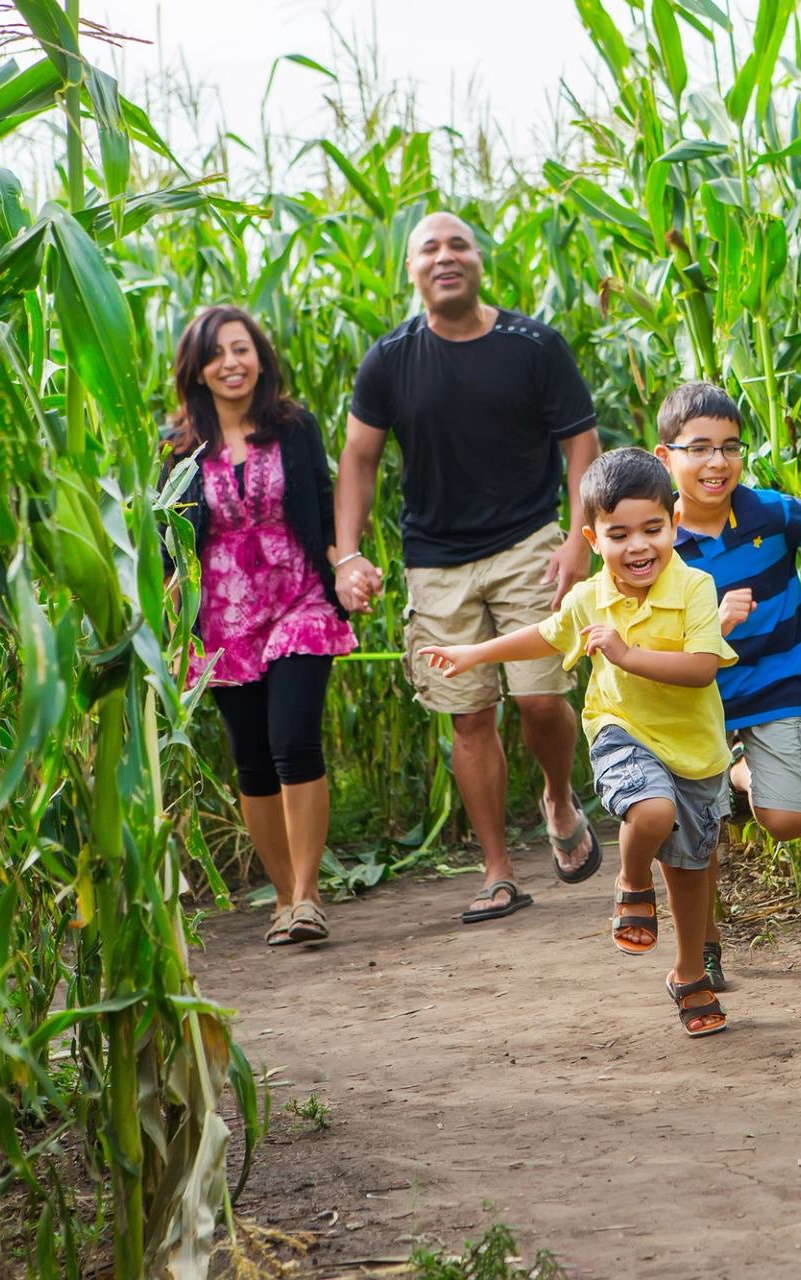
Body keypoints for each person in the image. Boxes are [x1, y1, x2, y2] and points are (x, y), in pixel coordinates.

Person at [334, 211, 602, 923]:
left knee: (543, 699)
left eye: (459, 245)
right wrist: (347, 554)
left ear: (480, 261)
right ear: (411, 269)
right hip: (437, 561)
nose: (445, 257)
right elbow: (358, 459)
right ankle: (497, 871)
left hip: (529, 546)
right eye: (429, 248)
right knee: (469, 716)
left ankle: (556, 796)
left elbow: (582, 445)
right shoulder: (389, 359)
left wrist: (579, 538)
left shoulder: (533, 345)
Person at [416, 449, 738, 1037]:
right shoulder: (588, 597)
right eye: (619, 534)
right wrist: (474, 653)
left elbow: (701, 670)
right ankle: (632, 879)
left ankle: (689, 973)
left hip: (696, 750)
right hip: (622, 731)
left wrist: (624, 653)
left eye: (653, 529)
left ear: (675, 523)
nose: (638, 546)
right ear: (592, 538)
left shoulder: (695, 587)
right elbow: (545, 634)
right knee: (652, 809)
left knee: (692, 875)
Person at [654, 382, 801, 988]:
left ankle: (739, 770)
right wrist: (709, 624)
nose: (717, 463)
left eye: (731, 448)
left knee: (786, 820)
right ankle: (704, 949)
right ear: (665, 458)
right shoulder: (656, 543)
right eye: (699, 448)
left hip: (774, 683)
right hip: (695, 702)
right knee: (696, 838)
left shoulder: (769, 512)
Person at [163, 306, 355, 946]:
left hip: (297, 598)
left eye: (242, 349)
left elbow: (322, 513)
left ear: (261, 357)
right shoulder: (178, 447)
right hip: (220, 615)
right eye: (217, 354)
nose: (232, 363)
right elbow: (171, 542)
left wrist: (346, 568)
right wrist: (168, 625)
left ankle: (307, 896)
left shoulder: (293, 427)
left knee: (294, 740)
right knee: (252, 760)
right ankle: (281, 898)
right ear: (197, 368)